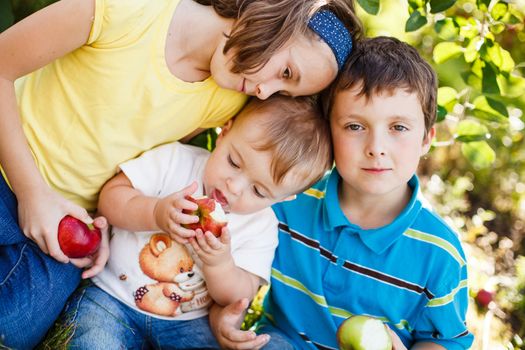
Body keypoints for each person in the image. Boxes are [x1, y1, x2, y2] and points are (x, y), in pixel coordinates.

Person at [0, 0, 362, 347]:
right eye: (285, 72)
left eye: (285, 89)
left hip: (70, 217)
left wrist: (103, 223)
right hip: (10, 169)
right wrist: (33, 193)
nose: (265, 92)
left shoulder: (227, 99)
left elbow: (138, 157)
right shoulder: (126, 10)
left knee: (16, 325)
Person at [210, 36, 474, 350]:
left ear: (426, 138)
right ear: (328, 130)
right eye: (354, 126)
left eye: (398, 128)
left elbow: (445, 340)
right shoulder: (284, 204)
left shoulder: (439, 252)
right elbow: (234, 278)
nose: (376, 148)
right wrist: (221, 319)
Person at [60, 94, 333, 349]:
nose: (234, 186)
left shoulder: (260, 228)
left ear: (284, 198)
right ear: (224, 133)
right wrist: (155, 213)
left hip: (189, 322)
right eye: (234, 162)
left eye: (259, 191)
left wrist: (219, 263)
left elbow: (239, 296)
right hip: (111, 296)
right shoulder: (176, 161)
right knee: (94, 337)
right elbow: (111, 198)